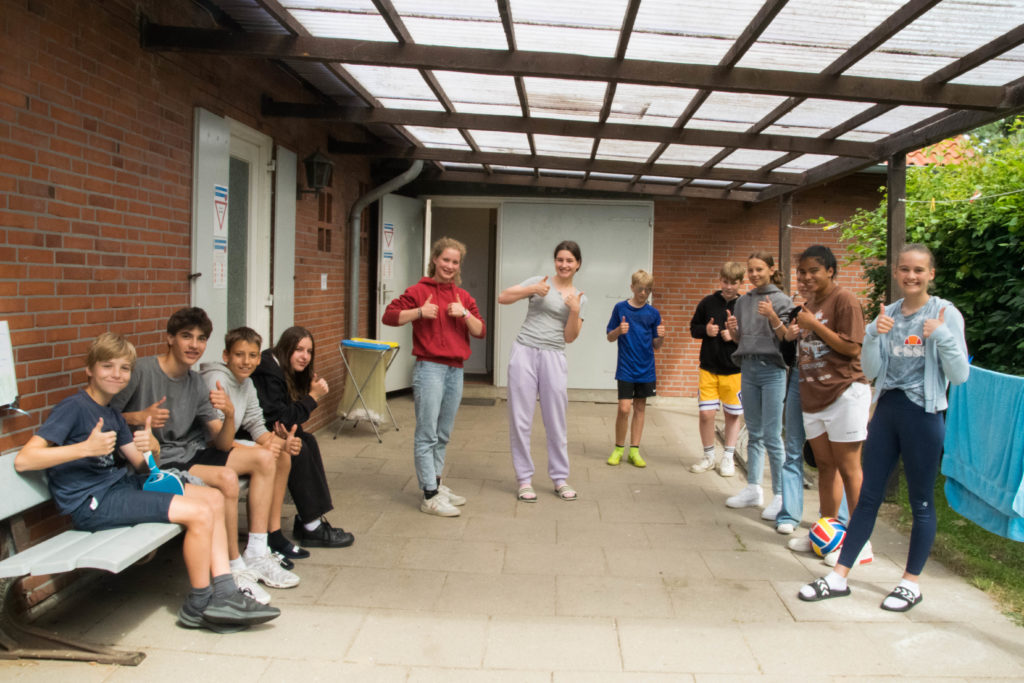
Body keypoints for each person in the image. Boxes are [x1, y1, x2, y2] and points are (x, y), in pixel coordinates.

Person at [15, 333, 279, 632]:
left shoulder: (112, 414)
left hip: (120, 488)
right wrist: (84, 449)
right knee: (199, 513)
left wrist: (152, 447)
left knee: (214, 498)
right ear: (89, 369)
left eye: (124, 368)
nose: (116, 374)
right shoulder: (74, 407)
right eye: (107, 366)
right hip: (92, 502)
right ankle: (199, 603)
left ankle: (225, 592)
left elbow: (142, 465)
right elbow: (25, 459)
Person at [800, 244, 969, 611]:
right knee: (868, 497)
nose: (911, 276)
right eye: (905, 269)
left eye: (919, 270)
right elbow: (873, 371)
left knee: (920, 500)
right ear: (895, 272)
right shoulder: (887, 314)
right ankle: (839, 576)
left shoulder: (945, 313)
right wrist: (875, 335)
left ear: (931, 274)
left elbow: (959, 375)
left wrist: (941, 336)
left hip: (924, 415)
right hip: (888, 411)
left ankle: (910, 583)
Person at [110, 308, 299, 603]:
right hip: (158, 460)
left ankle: (257, 551)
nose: (194, 345)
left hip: (192, 451)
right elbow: (104, 415)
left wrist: (229, 415)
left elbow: (221, 443)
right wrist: (138, 416)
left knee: (264, 458)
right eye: (186, 336)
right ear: (169, 338)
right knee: (226, 478)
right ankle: (234, 567)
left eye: (201, 339)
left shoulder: (196, 382)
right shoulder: (142, 371)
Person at [382, 236, 487, 517]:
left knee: (443, 434)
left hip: (455, 370)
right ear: (435, 260)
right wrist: (419, 312)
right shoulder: (418, 291)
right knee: (427, 433)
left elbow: (480, 331)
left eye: (455, 262)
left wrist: (464, 314)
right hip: (429, 368)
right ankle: (429, 495)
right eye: (445, 260)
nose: (449, 266)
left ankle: (436, 484)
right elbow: (389, 316)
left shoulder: (463, 297)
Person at [785, 246, 872, 566]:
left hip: (845, 393)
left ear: (830, 271)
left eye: (814, 271)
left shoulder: (844, 300)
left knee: (849, 468)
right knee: (825, 467)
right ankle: (825, 534)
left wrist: (813, 324)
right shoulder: (808, 305)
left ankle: (860, 544)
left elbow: (852, 348)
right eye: (802, 272)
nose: (806, 277)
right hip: (814, 397)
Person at [201, 327, 305, 567]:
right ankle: (256, 548)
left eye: (252, 355)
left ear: (259, 358)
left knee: (282, 455)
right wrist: (261, 450)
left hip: (224, 446)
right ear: (226, 356)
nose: (246, 361)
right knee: (265, 458)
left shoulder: (246, 383)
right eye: (239, 355)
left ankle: (272, 533)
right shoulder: (215, 381)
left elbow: (256, 426)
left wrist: (283, 443)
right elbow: (214, 436)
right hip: (206, 448)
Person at [251, 326, 355, 549]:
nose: (305, 357)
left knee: (307, 440)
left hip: (267, 432)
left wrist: (306, 392)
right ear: (285, 348)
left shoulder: (282, 368)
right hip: (250, 436)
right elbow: (283, 419)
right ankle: (312, 526)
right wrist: (313, 397)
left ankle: (310, 520)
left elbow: (288, 422)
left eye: (309, 351)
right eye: (299, 349)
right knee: (298, 448)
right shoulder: (268, 371)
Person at [499, 240, 586, 503]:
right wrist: (532, 289)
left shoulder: (579, 297)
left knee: (556, 420)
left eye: (569, 260)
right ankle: (524, 480)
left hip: (554, 356)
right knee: (520, 419)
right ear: (555, 261)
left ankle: (560, 478)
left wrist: (574, 311)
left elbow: (570, 337)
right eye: (560, 259)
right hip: (524, 351)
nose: (564, 264)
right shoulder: (540, 282)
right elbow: (503, 297)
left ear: (578, 264)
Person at [724, 252, 793, 519]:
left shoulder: (783, 300)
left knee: (773, 435)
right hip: (748, 368)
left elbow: (787, 339)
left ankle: (781, 494)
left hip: (773, 371)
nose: (754, 275)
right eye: (750, 270)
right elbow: (741, 339)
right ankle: (753, 488)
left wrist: (773, 316)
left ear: (771, 270)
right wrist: (734, 331)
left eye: (759, 269)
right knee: (753, 432)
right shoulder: (743, 301)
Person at [688, 262, 745, 476]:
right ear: (720, 280)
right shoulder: (707, 302)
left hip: (734, 370)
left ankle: (728, 457)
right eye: (725, 281)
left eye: (733, 283)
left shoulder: (745, 305)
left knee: (732, 415)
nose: (728, 286)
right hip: (708, 368)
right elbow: (693, 328)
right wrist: (706, 330)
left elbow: (752, 336)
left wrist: (734, 336)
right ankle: (709, 457)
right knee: (706, 413)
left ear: (740, 283)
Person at [605, 269, 665, 468]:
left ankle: (634, 451)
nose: (643, 293)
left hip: (646, 369)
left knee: (640, 408)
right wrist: (618, 330)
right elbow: (609, 336)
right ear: (632, 287)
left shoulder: (653, 313)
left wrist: (661, 336)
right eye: (640, 289)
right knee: (624, 408)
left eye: (648, 290)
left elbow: (657, 345)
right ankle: (618, 449)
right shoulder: (620, 308)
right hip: (626, 367)